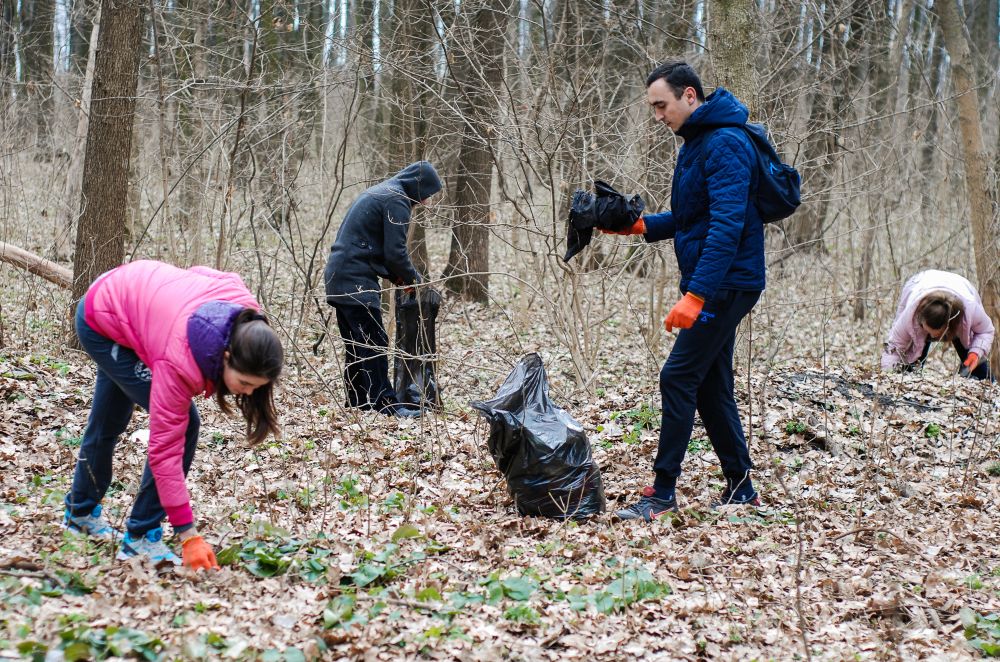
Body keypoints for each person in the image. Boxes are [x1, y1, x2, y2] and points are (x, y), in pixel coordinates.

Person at [604, 61, 765, 521]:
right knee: (711, 386)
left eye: (662, 105)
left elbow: (727, 227)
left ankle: (662, 493)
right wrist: (638, 226)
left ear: (689, 96)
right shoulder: (696, 144)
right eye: (653, 107)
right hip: (717, 280)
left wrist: (696, 296)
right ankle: (742, 489)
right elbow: (691, 217)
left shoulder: (727, 144)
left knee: (677, 377)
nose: (658, 115)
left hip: (727, 283)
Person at [64, 260, 283, 568]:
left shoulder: (246, 317)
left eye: (256, 387)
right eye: (244, 383)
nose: (248, 392)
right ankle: (139, 536)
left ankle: (80, 512)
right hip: (102, 317)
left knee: (108, 418)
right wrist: (188, 534)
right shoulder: (179, 362)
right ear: (225, 356)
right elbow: (164, 451)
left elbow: (205, 273)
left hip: (131, 302)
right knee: (179, 425)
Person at [324, 161, 442, 418]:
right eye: (426, 195)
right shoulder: (397, 200)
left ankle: (357, 402)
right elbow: (395, 253)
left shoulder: (384, 191)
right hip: (355, 279)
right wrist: (415, 280)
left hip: (339, 276)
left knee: (357, 343)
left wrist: (400, 280)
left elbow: (378, 251)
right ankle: (385, 404)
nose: (425, 202)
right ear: (418, 188)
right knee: (375, 342)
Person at [881, 269, 994, 380]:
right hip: (920, 283)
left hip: (960, 288)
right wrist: (888, 376)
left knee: (978, 369)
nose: (934, 337)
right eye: (929, 332)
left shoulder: (970, 311)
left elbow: (986, 330)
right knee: (911, 368)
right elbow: (894, 348)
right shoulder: (910, 317)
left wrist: (975, 352)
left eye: (937, 333)